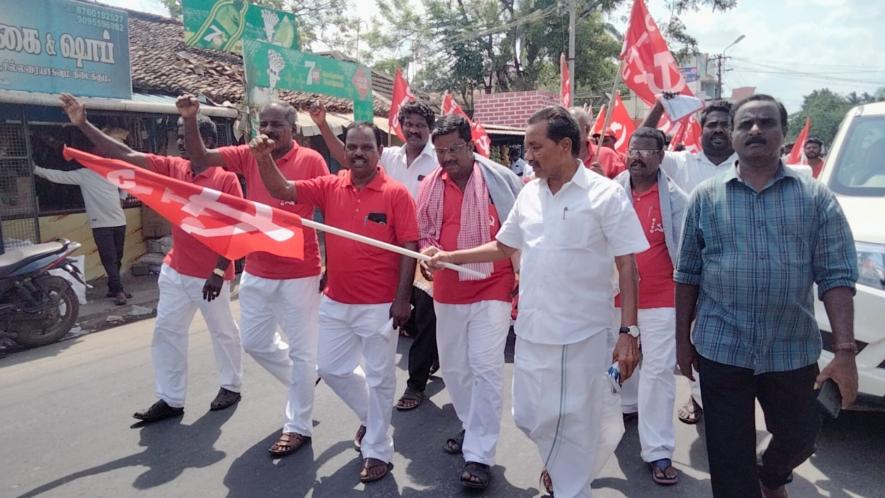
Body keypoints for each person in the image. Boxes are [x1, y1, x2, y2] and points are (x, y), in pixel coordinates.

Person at [428, 106, 649, 497]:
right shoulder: (529, 192)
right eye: (527, 147)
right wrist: (449, 258)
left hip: (582, 335)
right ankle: (563, 465)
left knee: (576, 423)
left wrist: (628, 331)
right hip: (531, 330)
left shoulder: (605, 194)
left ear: (565, 146)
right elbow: (503, 246)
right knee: (529, 417)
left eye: (535, 147)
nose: (526, 156)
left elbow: (627, 266)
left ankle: (569, 485)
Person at [675, 94, 858, 498]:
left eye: (765, 122)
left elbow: (836, 275)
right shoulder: (705, 197)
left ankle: (772, 475)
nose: (755, 130)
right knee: (728, 459)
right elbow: (687, 275)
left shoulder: (816, 198)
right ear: (735, 136)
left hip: (790, 349)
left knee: (801, 436)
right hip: (722, 348)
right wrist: (681, 344)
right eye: (746, 124)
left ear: (783, 133)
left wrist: (844, 353)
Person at [58, 93, 243, 422]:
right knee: (167, 332)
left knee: (223, 332)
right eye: (180, 138)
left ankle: (231, 385)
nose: (182, 144)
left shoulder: (225, 178)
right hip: (175, 269)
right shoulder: (172, 167)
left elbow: (233, 229)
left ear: (209, 141)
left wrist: (217, 271)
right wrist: (84, 124)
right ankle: (171, 400)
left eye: (188, 137)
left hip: (210, 275)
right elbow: (125, 154)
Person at [253, 121, 418, 483]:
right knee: (330, 369)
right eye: (352, 147)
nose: (359, 153)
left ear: (379, 152)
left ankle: (378, 448)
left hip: (380, 304)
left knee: (379, 378)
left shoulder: (396, 193)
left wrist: (402, 299)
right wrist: (264, 157)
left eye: (367, 147)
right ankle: (372, 420)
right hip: (336, 301)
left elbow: (409, 246)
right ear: (343, 151)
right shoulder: (329, 186)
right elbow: (280, 187)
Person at [176, 96, 329, 457]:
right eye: (265, 124)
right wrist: (190, 119)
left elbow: (327, 212)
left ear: (293, 129)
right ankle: (304, 381)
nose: (270, 130)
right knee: (255, 342)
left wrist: (329, 266)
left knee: (302, 349)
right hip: (257, 269)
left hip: (299, 271)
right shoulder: (247, 154)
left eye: (278, 124)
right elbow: (199, 159)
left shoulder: (311, 160)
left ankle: (298, 426)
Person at [310, 100, 439, 412]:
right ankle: (375, 408)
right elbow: (348, 157)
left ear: (429, 130)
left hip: (424, 246)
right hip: (384, 247)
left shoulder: (438, 160)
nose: (414, 130)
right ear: (400, 127)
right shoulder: (388, 154)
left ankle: (416, 382)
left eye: (421, 125)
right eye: (408, 124)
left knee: (424, 314)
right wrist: (323, 125)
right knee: (396, 323)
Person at [416, 115, 522, 490]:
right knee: (456, 369)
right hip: (448, 291)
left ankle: (479, 455)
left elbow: (517, 234)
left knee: (485, 366)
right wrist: (428, 259)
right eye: (439, 151)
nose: (446, 158)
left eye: (453, 149)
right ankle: (471, 424)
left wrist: (521, 280)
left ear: (470, 144)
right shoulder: (429, 187)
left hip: (493, 287)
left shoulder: (501, 181)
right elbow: (425, 237)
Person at [642, 96, 738, 424]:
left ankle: (720, 399)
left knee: (721, 341)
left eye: (725, 124)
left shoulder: (746, 165)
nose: (718, 130)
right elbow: (642, 141)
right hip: (687, 271)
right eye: (711, 124)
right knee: (690, 337)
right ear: (700, 128)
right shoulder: (681, 163)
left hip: (732, 271)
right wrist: (659, 106)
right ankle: (699, 399)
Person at [614, 127, 687, 486]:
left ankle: (657, 449)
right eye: (632, 149)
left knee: (657, 372)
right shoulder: (607, 194)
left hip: (661, 300)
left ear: (661, 157)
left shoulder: (677, 200)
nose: (637, 157)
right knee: (615, 366)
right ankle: (625, 410)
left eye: (646, 151)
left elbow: (688, 256)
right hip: (613, 299)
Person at [33, 131, 130, 305]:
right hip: (101, 224)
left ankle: (113, 287)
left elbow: (127, 184)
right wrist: (36, 170)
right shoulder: (85, 175)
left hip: (119, 221)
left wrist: (122, 199)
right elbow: (58, 176)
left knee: (117, 257)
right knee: (109, 258)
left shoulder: (112, 173)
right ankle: (119, 291)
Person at [570, 107, 625, 179]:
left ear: (587, 129)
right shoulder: (556, 156)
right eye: (564, 128)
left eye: (574, 128)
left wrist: (603, 179)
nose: (569, 132)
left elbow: (623, 187)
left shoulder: (608, 156)